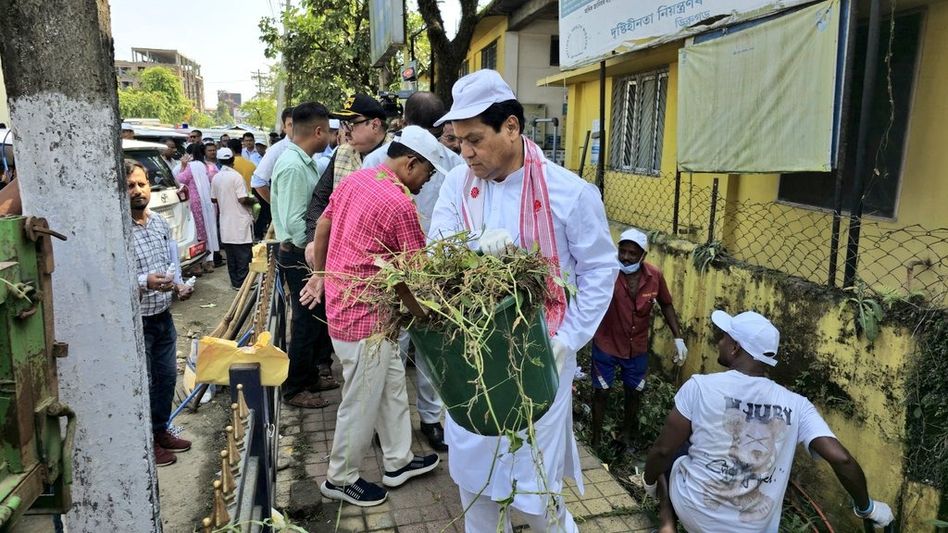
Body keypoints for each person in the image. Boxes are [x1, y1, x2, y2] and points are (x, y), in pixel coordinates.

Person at [428, 69, 618, 532]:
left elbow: (599, 269)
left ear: (511, 126)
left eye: (475, 139)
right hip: (471, 356)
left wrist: (568, 339)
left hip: (540, 358)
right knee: (475, 484)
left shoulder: (570, 193)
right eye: (458, 141)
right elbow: (436, 249)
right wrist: (472, 242)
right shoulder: (457, 186)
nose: (465, 152)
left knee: (535, 492)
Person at [643, 310, 895, 533]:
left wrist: (649, 482)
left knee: (675, 450)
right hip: (754, 526)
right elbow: (842, 459)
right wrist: (866, 507)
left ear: (735, 347)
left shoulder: (699, 386)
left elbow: (662, 450)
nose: (719, 342)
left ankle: (667, 522)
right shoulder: (797, 405)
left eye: (724, 337)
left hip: (697, 515)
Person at [303, 126, 447, 507]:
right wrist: (429, 316)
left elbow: (323, 225)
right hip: (366, 319)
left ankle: (398, 461)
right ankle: (340, 477)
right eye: (427, 173)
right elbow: (414, 278)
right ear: (410, 163)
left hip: (347, 307)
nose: (427, 181)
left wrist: (320, 275)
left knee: (391, 384)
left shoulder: (358, 179)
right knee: (361, 399)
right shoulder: (401, 205)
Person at [359, 91, 466, 452]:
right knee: (426, 348)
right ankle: (427, 422)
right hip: (406, 268)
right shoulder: (381, 161)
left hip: (415, 265)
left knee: (398, 348)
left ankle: (400, 423)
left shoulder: (450, 163)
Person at [590, 227, 687, 451]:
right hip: (606, 343)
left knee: (633, 392)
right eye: (622, 251)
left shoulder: (654, 277)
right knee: (601, 392)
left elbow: (666, 304)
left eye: (632, 254)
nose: (625, 257)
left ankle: (626, 435)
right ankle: (595, 440)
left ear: (643, 255)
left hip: (637, 348)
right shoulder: (607, 273)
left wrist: (678, 338)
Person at [269, 102, 338, 409]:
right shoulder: (295, 166)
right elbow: (297, 221)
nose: (333, 136)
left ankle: (308, 376)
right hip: (300, 255)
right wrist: (316, 257)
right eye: (331, 130)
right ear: (319, 131)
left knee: (312, 319)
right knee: (305, 322)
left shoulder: (304, 161)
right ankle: (295, 387)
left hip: (303, 254)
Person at [126, 158, 194, 467]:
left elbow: (171, 261)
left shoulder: (157, 223)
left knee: (167, 378)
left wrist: (177, 285)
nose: (138, 191)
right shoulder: (117, 230)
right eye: (130, 186)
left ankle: (161, 430)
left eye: (142, 184)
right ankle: (146, 442)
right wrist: (145, 282)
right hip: (137, 322)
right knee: (147, 383)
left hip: (163, 317)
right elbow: (117, 276)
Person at [303, 94, 390, 253]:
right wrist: (313, 240)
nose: (345, 132)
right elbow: (320, 200)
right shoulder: (342, 152)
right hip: (340, 252)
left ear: (375, 125)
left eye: (351, 124)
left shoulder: (396, 155)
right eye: (343, 124)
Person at [210, 148, 256, 290]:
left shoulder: (216, 177)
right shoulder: (236, 176)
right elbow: (242, 199)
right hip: (239, 219)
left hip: (225, 221)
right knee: (243, 254)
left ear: (219, 160)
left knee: (231, 255)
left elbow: (213, 199)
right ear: (232, 160)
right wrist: (253, 200)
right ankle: (242, 283)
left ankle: (235, 282)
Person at [176, 142, 219, 274]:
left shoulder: (190, 166)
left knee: (196, 234)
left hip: (193, 203)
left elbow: (180, 179)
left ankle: (197, 264)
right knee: (207, 231)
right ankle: (208, 261)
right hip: (205, 202)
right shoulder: (205, 166)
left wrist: (182, 166)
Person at [251, 106, 294, 239]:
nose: (295, 128)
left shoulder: (311, 147)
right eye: (290, 124)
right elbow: (258, 182)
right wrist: (275, 204)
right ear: (284, 127)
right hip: (285, 215)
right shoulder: (277, 150)